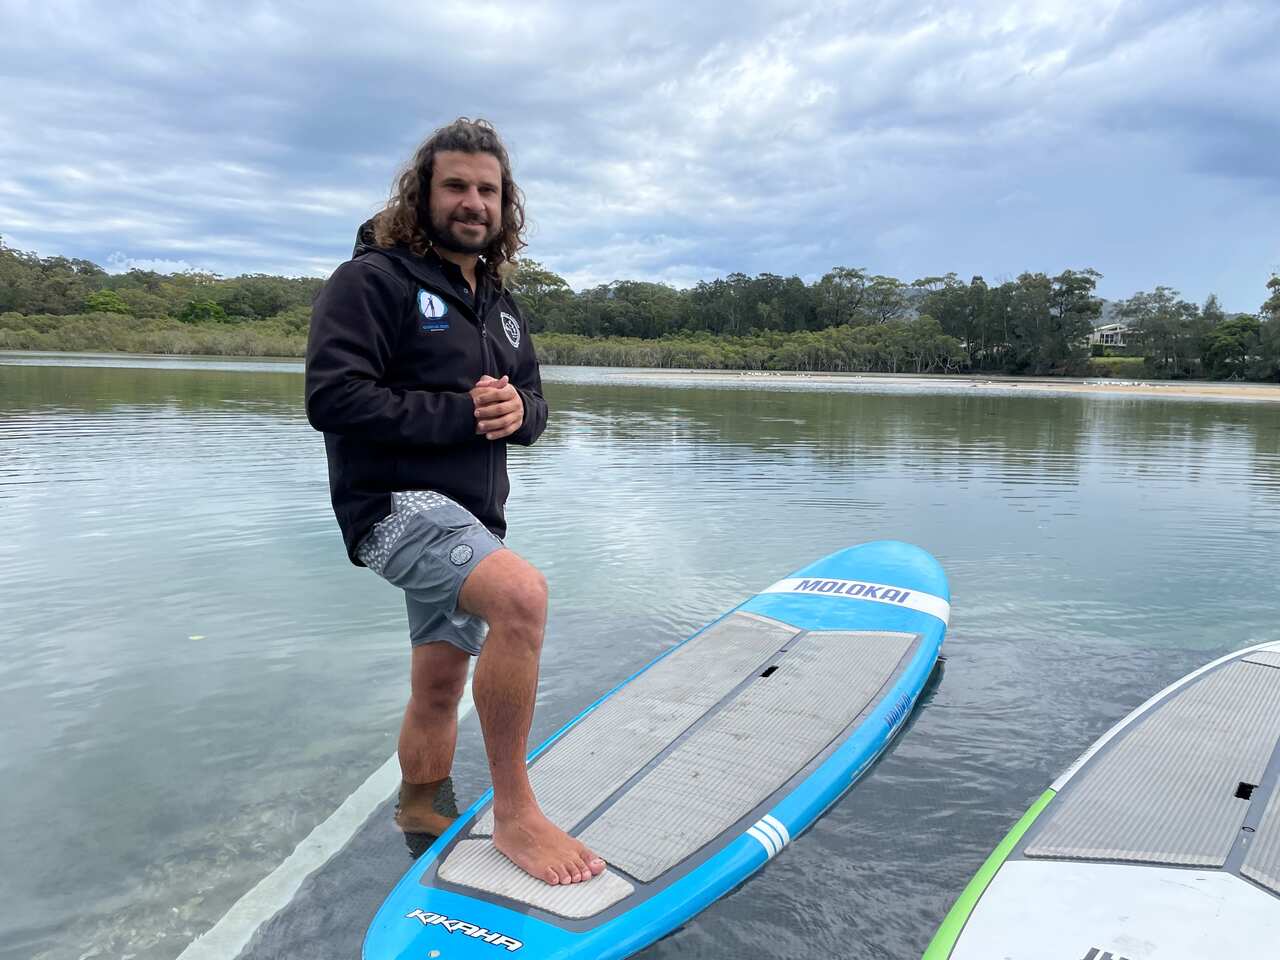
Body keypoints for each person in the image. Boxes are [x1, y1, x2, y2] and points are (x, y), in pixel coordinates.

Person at [305, 118, 604, 887]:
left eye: (488, 190)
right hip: (390, 507)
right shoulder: (371, 282)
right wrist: (463, 412)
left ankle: (420, 817)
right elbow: (332, 398)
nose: (473, 202)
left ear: (505, 206)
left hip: (473, 518)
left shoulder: (500, 303)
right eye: (456, 186)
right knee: (522, 598)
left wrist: (520, 416)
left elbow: (532, 402)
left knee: (439, 686)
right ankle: (516, 814)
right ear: (422, 193)